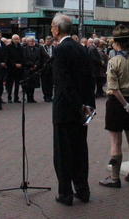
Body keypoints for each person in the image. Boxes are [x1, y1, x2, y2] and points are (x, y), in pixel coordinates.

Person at [50, 13, 95, 206]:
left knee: (63, 155)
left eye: (52, 25)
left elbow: (64, 82)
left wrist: (78, 105)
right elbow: (89, 79)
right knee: (79, 152)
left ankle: (65, 194)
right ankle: (83, 190)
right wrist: (87, 106)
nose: (51, 29)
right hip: (81, 111)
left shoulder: (60, 50)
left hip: (66, 110)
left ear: (57, 29)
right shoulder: (81, 48)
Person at [99, 25, 129, 188]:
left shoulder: (113, 62)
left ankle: (114, 177)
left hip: (116, 104)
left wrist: (125, 105)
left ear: (117, 43)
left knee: (116, 141)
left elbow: (113, 87)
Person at [5, 34, 24, 103]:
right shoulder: (8, 47)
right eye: (15, 39)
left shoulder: (21, 47)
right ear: (12, 40)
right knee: (10, 83)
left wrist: (20, 64)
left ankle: (16, 97)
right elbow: (8, 58)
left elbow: (23, 57)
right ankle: (9, 97)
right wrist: (14, 64)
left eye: (18, 39)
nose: (16, 41)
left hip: (19, 69)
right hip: (11, 68)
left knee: (17, 84)